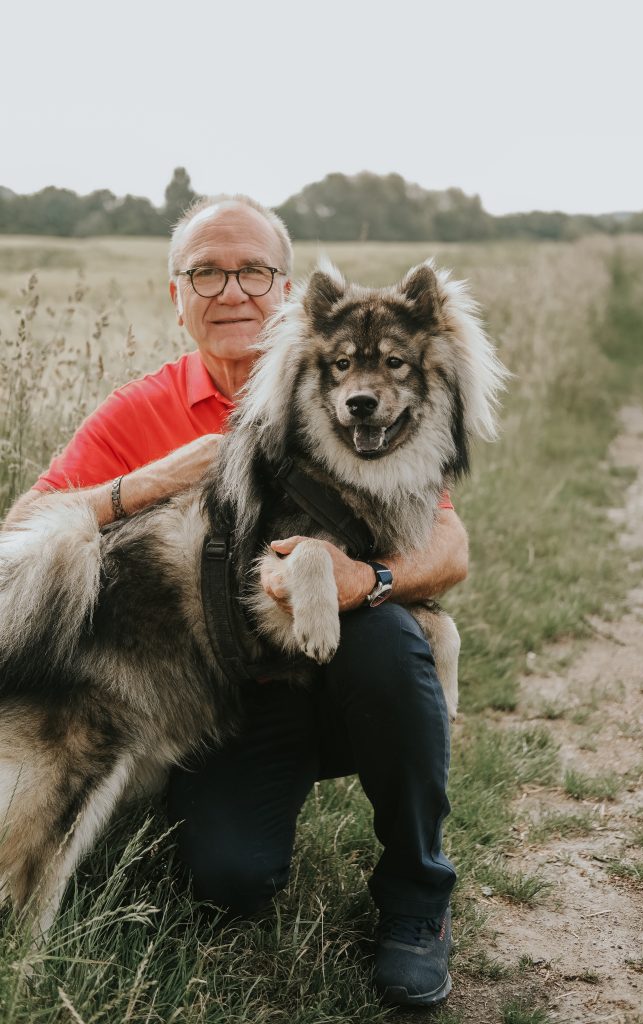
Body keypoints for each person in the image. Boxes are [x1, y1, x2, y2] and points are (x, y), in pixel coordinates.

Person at [4, 195, 468, 1007]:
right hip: (216, 701)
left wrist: (370, 581)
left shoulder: (357, 420)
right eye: (205, 274)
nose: (231, 291)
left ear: (284, 289)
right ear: (174, 295)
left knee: (394, 643)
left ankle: (415, 899)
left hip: (334, 673)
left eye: (252, 271)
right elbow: (25, 533)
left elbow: (447, 547)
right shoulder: (138, 410)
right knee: (229, 880)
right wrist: (158, 479)